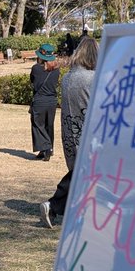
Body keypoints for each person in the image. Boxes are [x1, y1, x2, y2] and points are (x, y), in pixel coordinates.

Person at [39, 36, 99, 228]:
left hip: (70, 132)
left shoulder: (68, 77)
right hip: (88, 135)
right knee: (85, 173)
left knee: (81, 174)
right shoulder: (92, 79)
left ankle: (73, 210)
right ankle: (54, 204)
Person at [29, 42, 59, 160]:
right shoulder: (56, 70)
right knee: (48, 125)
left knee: (38, 125)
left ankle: (47, 148)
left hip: (39, 100)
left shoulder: (36, 68)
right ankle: (45, 151)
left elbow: (32, 82)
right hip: (52, 101)